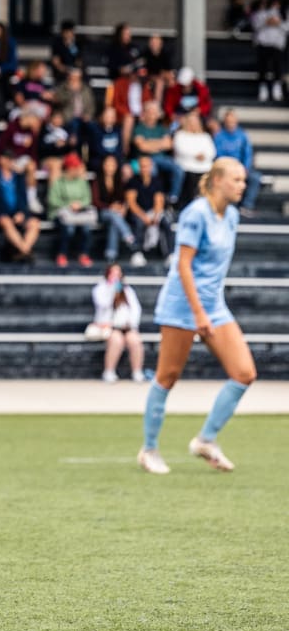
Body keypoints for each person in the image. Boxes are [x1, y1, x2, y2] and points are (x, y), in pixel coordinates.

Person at [138, 158, 255, 475]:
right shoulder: (196, 214)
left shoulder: (230, 215)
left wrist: (209, 309)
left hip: (214, 305)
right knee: (167, 377)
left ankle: (206, 439)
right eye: (236, 180)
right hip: (181, 305)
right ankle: (148, 449)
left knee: (244, 373)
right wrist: (198, 313)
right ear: (217, 180)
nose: (242, 186)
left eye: (243, 180)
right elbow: (183, 266)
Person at [90, 264, 145, 383]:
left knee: (135, 341)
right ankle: (109, 371)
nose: (116, 276)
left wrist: (132, 324)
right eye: (113, 273)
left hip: (127, 326)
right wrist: (111, 290)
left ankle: (137, 371)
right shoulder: (101, 289)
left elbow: (136, 309)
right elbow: (102, 305)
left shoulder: (128, 290)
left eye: (118, 273)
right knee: (116, 340)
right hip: (109, 326)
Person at [0, 150, 41, 263]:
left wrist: (21, 213)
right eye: (8, 159)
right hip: (2, 214)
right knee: (6, 221)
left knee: (35, 223)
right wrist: (6, 214)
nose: (10, 161)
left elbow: (23, 199)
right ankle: (26, 251)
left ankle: (23, 250)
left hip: (19, 213)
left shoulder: (18, 178)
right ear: (1, 160)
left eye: (11, 159)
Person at [92, 154, 144, 266]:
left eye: (112, 164)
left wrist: (122, 207)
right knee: (112, 215)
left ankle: (111, 255)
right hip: (103, 213)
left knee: (114, 222)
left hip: (117, 215)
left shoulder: (119, 180)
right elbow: (95, 201)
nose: (110, 167)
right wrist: (110, 207)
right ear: (103, 165)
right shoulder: (97, 181)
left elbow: (124, 199)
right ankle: (129, 237)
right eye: (108, 164)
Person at [47, 153, 95, 268]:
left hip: (79, 213)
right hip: (62, 213)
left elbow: (87, 199)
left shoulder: (82, 181)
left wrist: (79, 205)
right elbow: (52, 200)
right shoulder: (59, 182)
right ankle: (62, 254)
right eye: (75, 167)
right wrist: (68, 205)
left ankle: (84, 254)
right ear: (69, 168)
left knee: (86, 228)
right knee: (69, 229)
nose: (77, 169)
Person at [211, 109, 261, 217]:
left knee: (255, 177)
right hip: (225, 168)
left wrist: (245, 168)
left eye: (232, 121)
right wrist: (229, 168)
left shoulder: (242, 135)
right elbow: (218, 154)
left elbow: (248, 153)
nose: (231, 124)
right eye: (228, 121)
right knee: (228, 179)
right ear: (225, 122)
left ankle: (246, 206)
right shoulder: (219, 136)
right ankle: (227, 205)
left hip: (241, 168)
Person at [125, 155, 174, 261]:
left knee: (166, 222)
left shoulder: (157, 181)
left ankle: (170, 254)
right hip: (138, 212)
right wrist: (144, 217)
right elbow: (131, 203)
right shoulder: (133, 181)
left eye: (147, 166)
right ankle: (137, 252)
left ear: (151, 166)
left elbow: (159, 200)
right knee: (138, 223)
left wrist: (156, 215)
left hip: (153, 212)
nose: (144, 169)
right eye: (142, 166)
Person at [173, 109, 216, 208]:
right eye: (191, 122)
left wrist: (204, 156)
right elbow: (181, 149)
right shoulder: (180, 135)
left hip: (204, 165)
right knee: (190, 178)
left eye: (195, 122)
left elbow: (212, 151)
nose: (193, 124)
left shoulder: (205, 136)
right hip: (187, 165)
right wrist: (195, 155)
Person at [250, 0, 288, 103]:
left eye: (277, 1)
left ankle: (277, 90)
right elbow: (255, 25)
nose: (275, 4)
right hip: (263, 43)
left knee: (277, 68)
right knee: (263, 68)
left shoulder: (285, 13)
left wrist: (279, 23)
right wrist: (266, 22)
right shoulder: (262, 12)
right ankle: (263, 89)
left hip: (277, 44)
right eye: (273, 1)